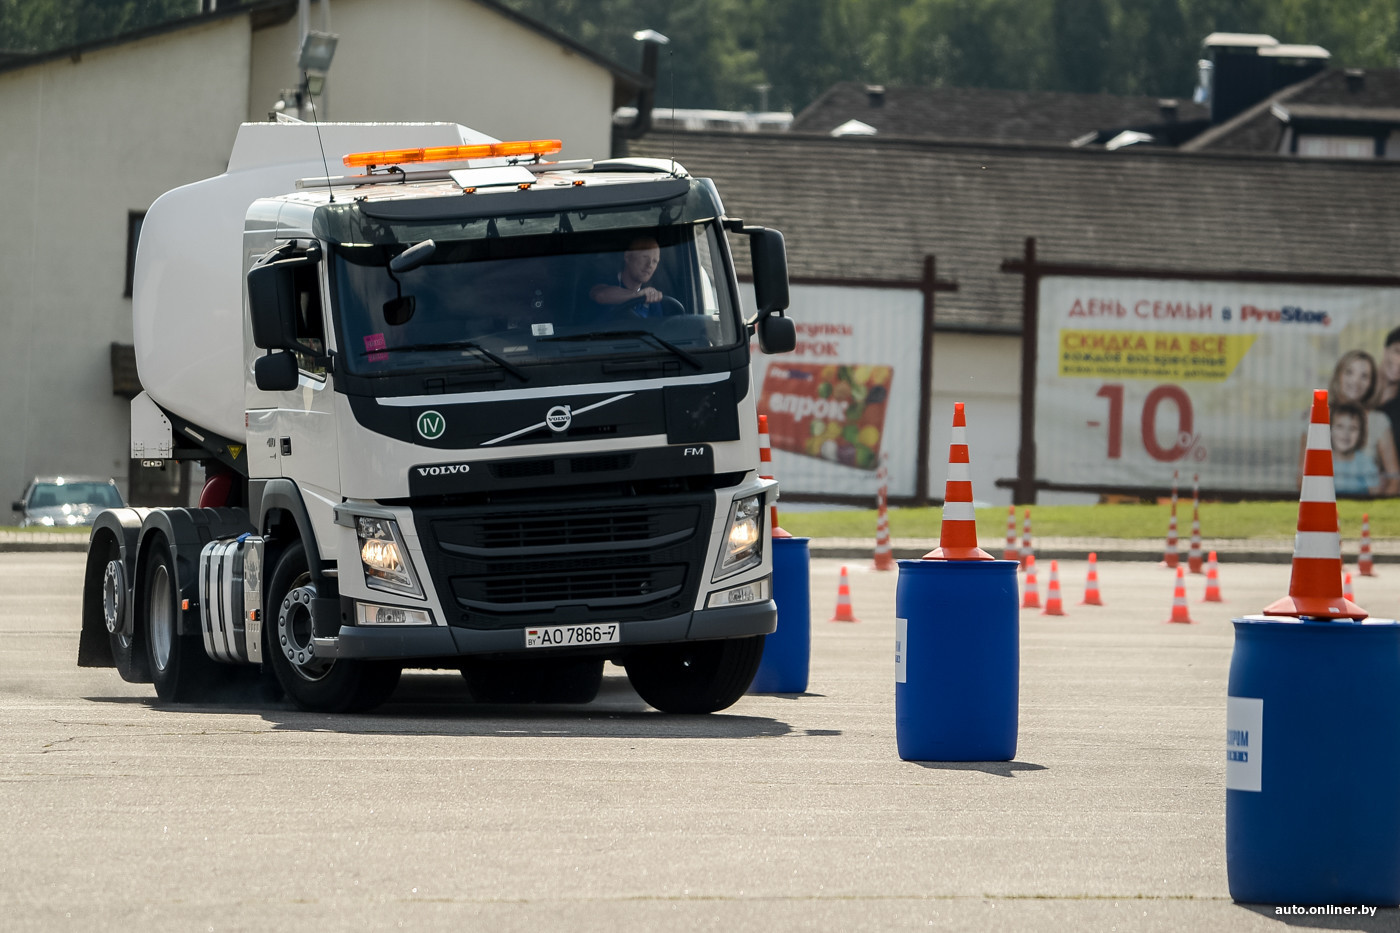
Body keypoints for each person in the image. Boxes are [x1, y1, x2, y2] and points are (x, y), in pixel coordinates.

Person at [1328, 348, 1400, 495]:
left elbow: (1394, 479)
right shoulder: (1317, 416)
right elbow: (1302, 478)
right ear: (1338, 375)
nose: (1356, 381)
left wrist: (1376, 510)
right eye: (1349, 372)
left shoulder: (1379, 421)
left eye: (1364, 376)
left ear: (1372, 383)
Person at [589, 236, 667, 316]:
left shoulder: (652, 300)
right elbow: (600, 296)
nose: (649, 265)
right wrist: (637, 295)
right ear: (627, 256)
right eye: (645, 257)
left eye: (655, 261)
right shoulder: (606, 282)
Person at [1331, 402, 1381, 495]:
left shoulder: (1366, 463)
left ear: (1361, 434)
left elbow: (1375, 495)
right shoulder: (1323, 461)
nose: (1346, 434)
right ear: (1329, 430)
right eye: (1340, 426)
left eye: (1353, 428)